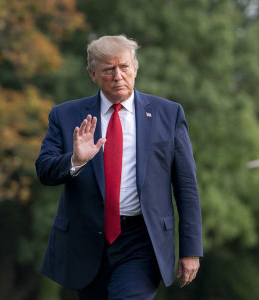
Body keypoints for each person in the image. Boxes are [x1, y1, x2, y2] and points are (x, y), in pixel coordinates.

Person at [35, 35, 203, 300]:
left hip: (142, 241)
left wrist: (191, 249)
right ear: (93, 74)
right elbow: (44, 170)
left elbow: (186, 187)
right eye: (108, 69)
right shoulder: (66, 115)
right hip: (86, 241)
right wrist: (76, 161)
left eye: (124, 67)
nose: (118, 76)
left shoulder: (168, 114)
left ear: (135, 68)